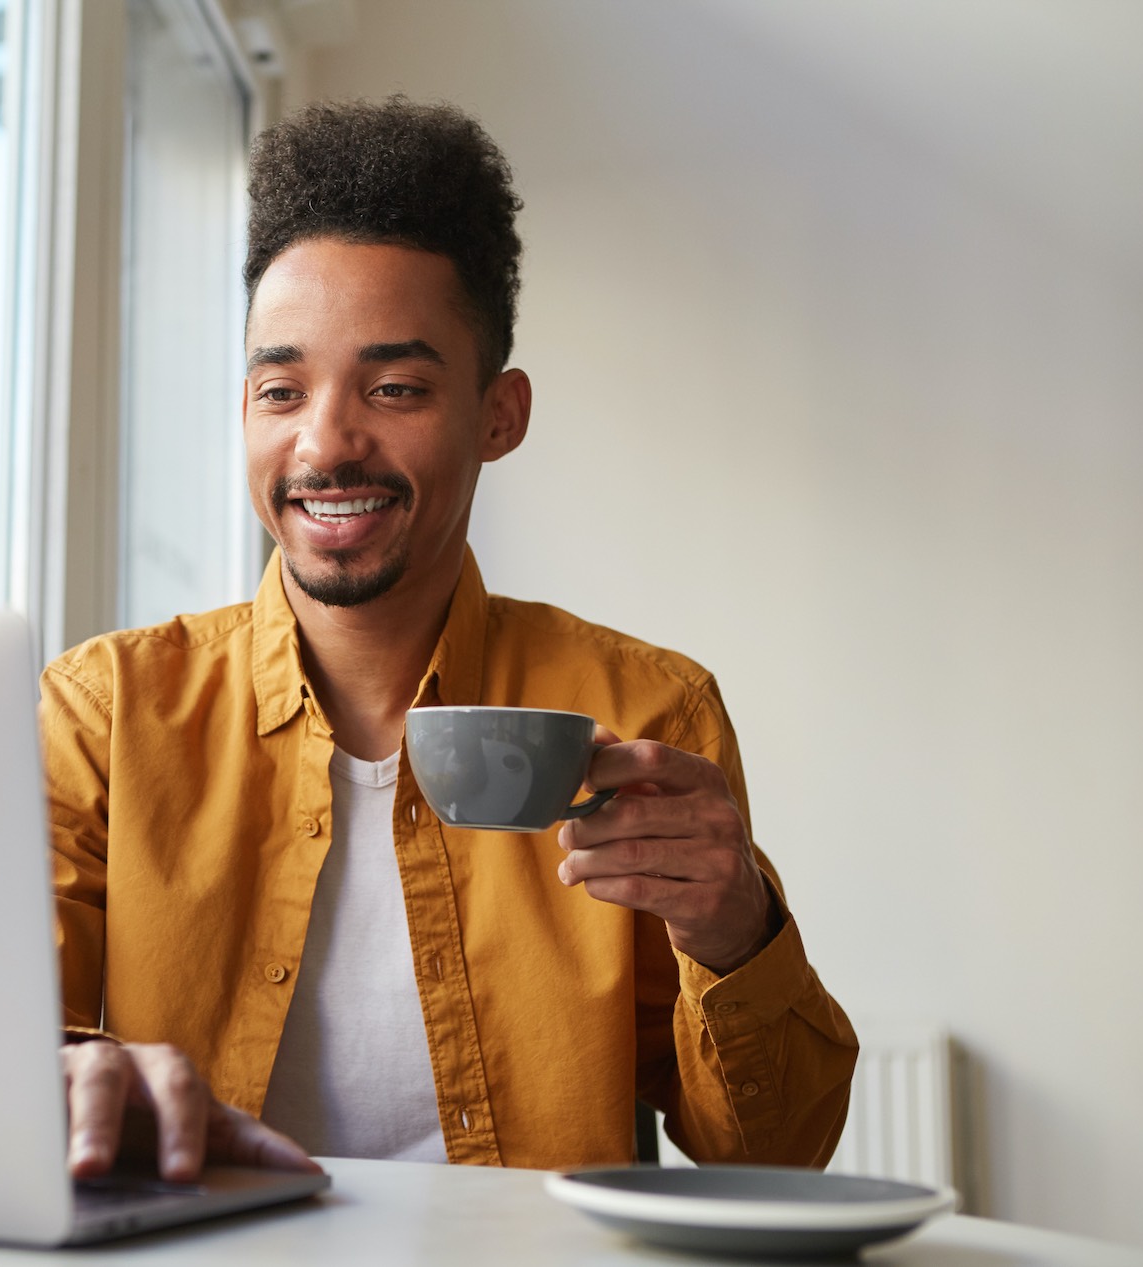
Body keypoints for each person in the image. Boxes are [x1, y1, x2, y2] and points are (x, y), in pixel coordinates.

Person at [43, 97, 857, 1183]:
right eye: (280, 389)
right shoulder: (103, 716)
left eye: (395, 388)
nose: (325, 441)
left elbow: (772, 1163)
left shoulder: (648, 713)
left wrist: (736, 930)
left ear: (497, 415)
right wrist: (45, 1081)